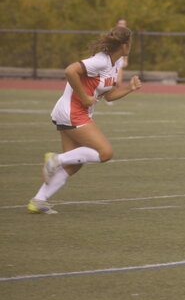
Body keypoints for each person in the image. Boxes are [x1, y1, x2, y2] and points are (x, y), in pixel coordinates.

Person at [27, 26, 142, 214]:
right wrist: (84, 97)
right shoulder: (100, 60)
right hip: (73, 111)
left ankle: (38, 200)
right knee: (105, 153)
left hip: (73, 112)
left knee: (74, 164)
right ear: (124, 45)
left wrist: (129, 88)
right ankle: (56, 159)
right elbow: (70, 71)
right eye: (130, 43)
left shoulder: (115, 63)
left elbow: (110, 95)